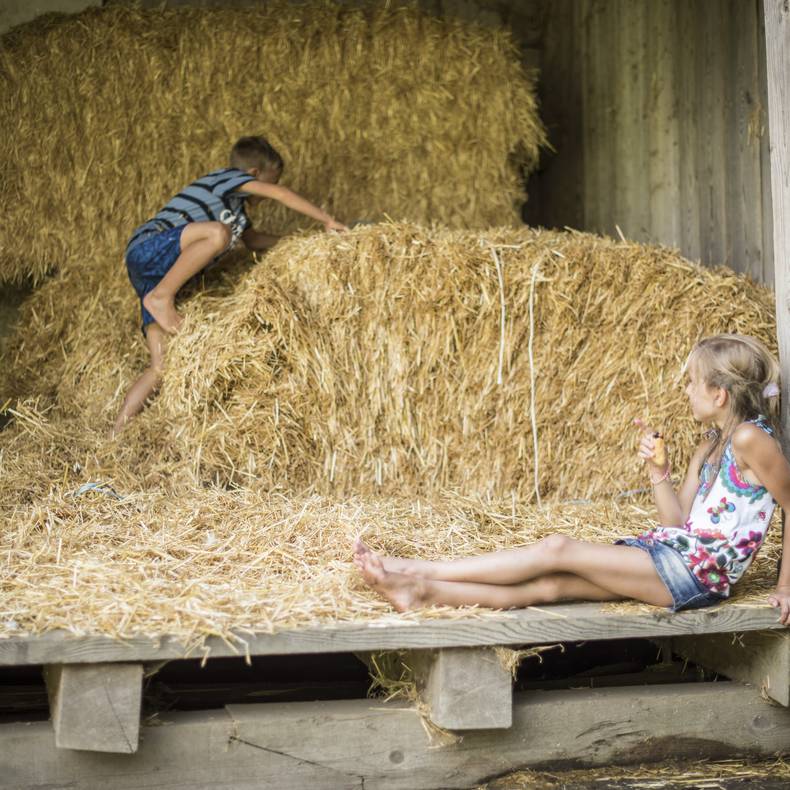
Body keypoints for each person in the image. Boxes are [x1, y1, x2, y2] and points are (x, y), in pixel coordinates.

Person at [354, 334, 790, 624]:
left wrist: (786, 587)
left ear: (719, 394)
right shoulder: (710, 444)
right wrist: (659, 472)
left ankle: (414, 568)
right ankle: (421, 592)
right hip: (677, 555)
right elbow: (677, 525)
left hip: (698, 575)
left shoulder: (751, 439)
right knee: (551, 586)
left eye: (692, 383)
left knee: (557, 549)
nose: (686, 392)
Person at [113, 135, 347, 434]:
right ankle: (162, 297)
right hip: (149, 248)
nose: (266, 194)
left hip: (155, 274)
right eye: (270, 182)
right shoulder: (226, 180)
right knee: (217, 234)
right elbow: (281, 195)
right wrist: (326, 221)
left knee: (160, 366)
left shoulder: (236, 216)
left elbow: (253, 241)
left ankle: (115, 434)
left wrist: (301, 240)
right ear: (253, 175)